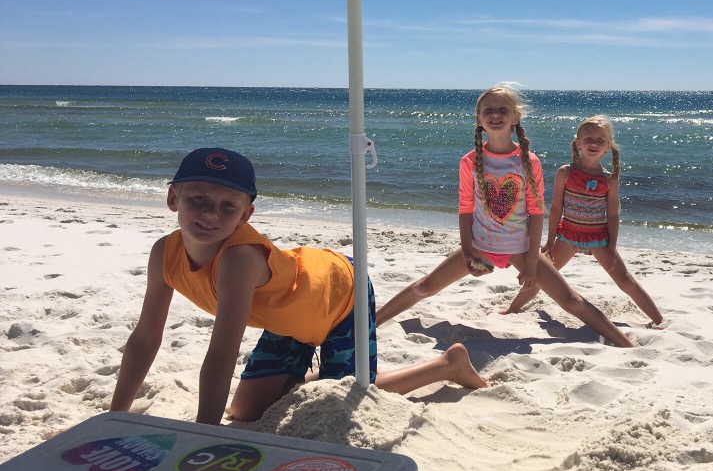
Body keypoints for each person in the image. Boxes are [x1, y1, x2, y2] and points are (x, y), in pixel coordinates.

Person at [110, 147, 487, 426]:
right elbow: (145, 338)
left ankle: (445, 365)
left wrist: (203, 435)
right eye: (198, 200)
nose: (211, 213)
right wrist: (115, 416)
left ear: (246, 215)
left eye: (228, 206)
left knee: (343, 397)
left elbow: (222, 353)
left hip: (340, 294)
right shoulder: (165, 252)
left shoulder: (238, 259)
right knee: (245, 411)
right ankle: (316, 374)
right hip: (289, 314)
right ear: (173, 198)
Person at [376, 85, 632, 347]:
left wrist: (531, 264)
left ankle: (626, 344)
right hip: (480, 246)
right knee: (424, 287)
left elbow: (536, 213)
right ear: (479, 119)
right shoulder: (469, 161)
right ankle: (370, 323)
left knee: (571, 301)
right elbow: (465, 209)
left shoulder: (529, 161)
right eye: (488, 110)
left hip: (520, 249)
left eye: (502, 110)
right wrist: (467, 252)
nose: (495, 115)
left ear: (515, 117)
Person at [504, 116, 663, 327]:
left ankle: (658, 320)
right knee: (545, 277)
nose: (594, 143)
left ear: (608, 146)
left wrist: (612, 247)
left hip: (599, 239)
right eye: (588, 139)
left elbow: (612, 216)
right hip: (568, 236)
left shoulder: (609, 179)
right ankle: (512, 309)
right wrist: (550, 240)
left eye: (600, 140)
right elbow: (556, 209)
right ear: (578, 142)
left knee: (625, 280)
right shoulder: (565, 172)